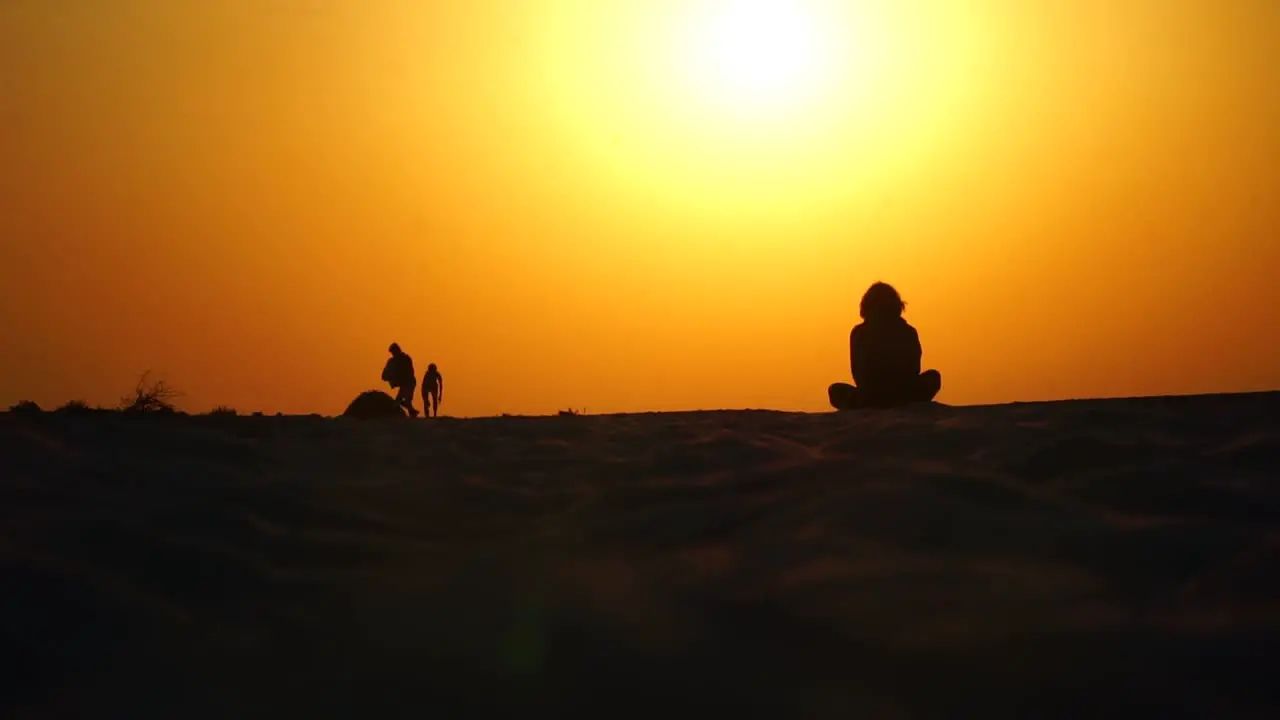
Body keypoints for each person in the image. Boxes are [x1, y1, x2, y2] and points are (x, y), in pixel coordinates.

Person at [828, 282, 942, 410]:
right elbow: (914, 368)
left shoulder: (860, 332)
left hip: (872, 397)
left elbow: (858, 372)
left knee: (836, 390)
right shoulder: (907, 331)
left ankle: (869, 404)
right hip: (900, 394)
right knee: (933, 377)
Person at [381, 343, 419, 417]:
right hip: (405, 383)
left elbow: (409, 371)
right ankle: (412, 412)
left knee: (404, 400)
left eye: (393, 352)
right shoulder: (394, 361)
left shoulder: (405, 359)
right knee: (403, 401)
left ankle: (411, 413)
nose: (392, 354)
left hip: (409, 382)